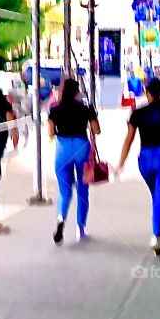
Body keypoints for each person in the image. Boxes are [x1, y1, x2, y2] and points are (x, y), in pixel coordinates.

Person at [116, 77, 160, 255]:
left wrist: (121, 164)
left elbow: (129, 140)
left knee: (157, 195)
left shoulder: (138, 113)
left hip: (145, 160)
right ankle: (156, 236)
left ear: (147, 92)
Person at [47, 78, 100, 245]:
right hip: (81, 148)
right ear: (77, 93)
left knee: (65, 192)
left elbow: (50, 133)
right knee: (83, 190)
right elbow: (97, 130)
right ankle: (80, 228)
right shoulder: (85, 109)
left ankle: (61, 217)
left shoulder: (54, 110)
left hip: (62, 151)